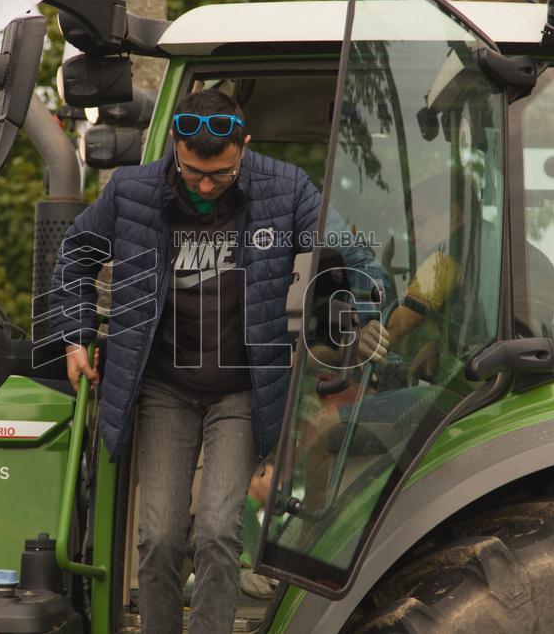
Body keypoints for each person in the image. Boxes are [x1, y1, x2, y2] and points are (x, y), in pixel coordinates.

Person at [47, 88, 387, 633]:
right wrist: (75, 337)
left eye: (221, 175)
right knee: (158, 535)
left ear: (244, 149)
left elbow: (351, 254)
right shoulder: (131, 191)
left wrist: (367, 312)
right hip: (163, 387)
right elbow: (75, 254)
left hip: (240, 389)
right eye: (193, 172)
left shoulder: (286, 189)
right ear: (176, 149)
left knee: (218, 531)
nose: (205, 185)